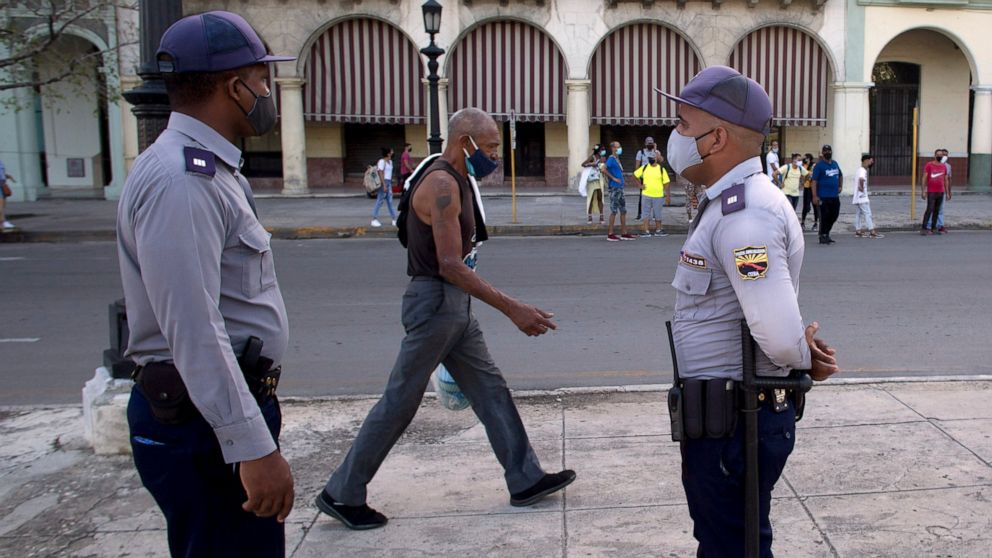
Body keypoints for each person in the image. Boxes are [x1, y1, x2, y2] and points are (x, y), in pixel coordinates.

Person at [314, 107, 576, 531]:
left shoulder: (453, 177)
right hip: (436, 303)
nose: (494, 155)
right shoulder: (441, 184)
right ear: (464, 143)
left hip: (451, 306)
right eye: (490, 147)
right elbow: (450, 264)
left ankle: (525, 479)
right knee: (400, 401)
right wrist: (513, 308)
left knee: (490, 390)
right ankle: (342, 493)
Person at [115, 11, 295, 557]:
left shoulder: (209, 170)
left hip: (212, 411)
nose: (268, 91)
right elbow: (193, 328)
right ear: (232, 86)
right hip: (202, 424)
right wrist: (251, 449)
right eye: (261, 78)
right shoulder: (181, 181)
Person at [657, 65, 839, 558]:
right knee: (729, 542)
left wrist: (799, 353)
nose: (674, 137)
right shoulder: (728, 205)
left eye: (682, 125)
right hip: (726, 416)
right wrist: (801, 351)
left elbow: (778, 337)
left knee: (733, 547)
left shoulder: (746, 215)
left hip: (737, 422)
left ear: (716, 138)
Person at [602, 141, 636, 241]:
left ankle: (624, 233)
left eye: (620, 146)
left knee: (623, 210)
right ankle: (610, 233)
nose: (619, 148)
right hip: (614, 188)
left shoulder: (617, 159)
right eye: (617, 147)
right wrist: (613, 178)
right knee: (613, 210)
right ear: (613, 148)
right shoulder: (611, 159)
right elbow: (603, 169)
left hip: (620, 188)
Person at [633, 152, 670, 237]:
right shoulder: (645, 167)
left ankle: (658, 230)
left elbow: (667, 182)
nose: (651, 159)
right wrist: (639, 185)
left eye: (652, 157)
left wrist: (667, 194)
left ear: (656, 158)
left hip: (658, 195)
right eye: (649, 158)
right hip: (646, 195)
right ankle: (646, 231)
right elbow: (635, 175)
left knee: (658, 213)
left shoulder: (661, 169)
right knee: (645, 213)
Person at [811, 144, 842, 245]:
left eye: (829, 151)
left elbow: (840, 175)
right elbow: (814, 181)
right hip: (823, 196)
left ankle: (827, 232)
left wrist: (840, 186)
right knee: (824, 217)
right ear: (822, 153)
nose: (827, 153)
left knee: (834, 215)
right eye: (825, 151)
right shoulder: (819, 166)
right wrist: (815, 196)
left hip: (834, 196)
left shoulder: (835, 164)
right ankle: (823, 235)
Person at [852, 154, 883, 239]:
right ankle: (872, 231)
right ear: (866, 160)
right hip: (862, 197)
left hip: (858, 197)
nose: (871, 163)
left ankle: (858, 231)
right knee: (867, 213)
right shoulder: (862, 171)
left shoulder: (859, 170)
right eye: (871, 161)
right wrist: (862, 192)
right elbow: (861, 180)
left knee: (858, 214)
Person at [921, 149, 949, 235]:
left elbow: (946, 180)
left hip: (940, 191)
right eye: (938, 154)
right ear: (935, 155)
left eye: (941, 155)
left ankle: (933, 228)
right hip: (931, 192)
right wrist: (923, 191)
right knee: (929, 209)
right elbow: (924, 178)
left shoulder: (944, 166)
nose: (940, 156)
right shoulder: (929, 165)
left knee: (937, 210)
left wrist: (947, 192)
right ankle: (924, 228)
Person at [371, 147, 397, 227]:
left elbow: (389, 173)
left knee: (390, 201)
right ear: (388, 153)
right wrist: (384, 185)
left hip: (388, 182)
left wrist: (391, 181)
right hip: (384, 183)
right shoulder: (382, 162)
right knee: (380, 201)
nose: (393, 152)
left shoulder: (390, 162)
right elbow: (380, 173)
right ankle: (374, 219)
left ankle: (394, 219)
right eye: (392, 151)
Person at [634, 136, 658, 220]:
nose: (650, 144)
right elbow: (637, 166)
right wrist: (638, 178)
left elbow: (659, 161)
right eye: (648, 142)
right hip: (644, 178)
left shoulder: (656, 152)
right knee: (643, 196)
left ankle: (655, 214)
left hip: (655, 178)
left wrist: (655, 151)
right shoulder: (640, 152)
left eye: (651, 142)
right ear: (645, 143)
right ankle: (640, 214)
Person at [582, 144, 605, 224]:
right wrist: (592, 164)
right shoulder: (592, 157)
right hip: (591, 180)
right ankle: (589, 217)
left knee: (600, 197)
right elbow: (583, 164)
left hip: (599, 179)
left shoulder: (603, 158)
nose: (603, 151)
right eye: (602, 149)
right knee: (591, 198)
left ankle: (601, 216)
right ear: (598, 151)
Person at [800, 153, 818, 232]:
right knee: (805, 206)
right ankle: (803, 222)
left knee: (815, 206)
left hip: (812, 188)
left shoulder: (813, 165)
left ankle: (816, 223)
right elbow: (802, 176)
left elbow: (812, 175)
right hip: (806, 188)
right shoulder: (803, 166)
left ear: (809, 158)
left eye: (806, 158)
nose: (805, 160)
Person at [935, 148, 952, 233]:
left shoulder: (948, 166)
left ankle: (940, 225)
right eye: (943, 154)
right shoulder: (934, 164)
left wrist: (949, 192)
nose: (944, 156)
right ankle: (930, 225)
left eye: (946, 154)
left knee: (941, 209)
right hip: (934, 190)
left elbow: (948, 179)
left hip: (942, 190)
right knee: (932, 208)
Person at [0, 158, 14, 230]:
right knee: (1, 205)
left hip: (2, 185)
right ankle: (2, 223)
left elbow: (1, 173)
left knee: (2, 205)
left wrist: (7, 176)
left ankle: (3, 222)